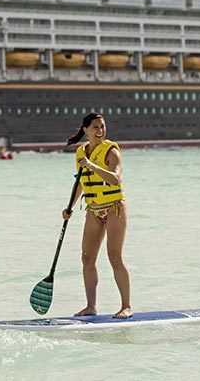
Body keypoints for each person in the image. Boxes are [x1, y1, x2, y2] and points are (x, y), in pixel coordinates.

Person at [63, 112, 132, 319]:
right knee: (87, 258)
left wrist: (92, 165)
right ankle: (91, 306)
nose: (100, 131)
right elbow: (81, 184)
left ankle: (126, 306)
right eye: (95, 127)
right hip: (93, 210)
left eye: (102, 127)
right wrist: (70, 207)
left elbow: (115, 180)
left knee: (114, 257)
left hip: (114, 208)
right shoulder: (80, 153)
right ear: (85, 130)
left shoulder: (111, 152)